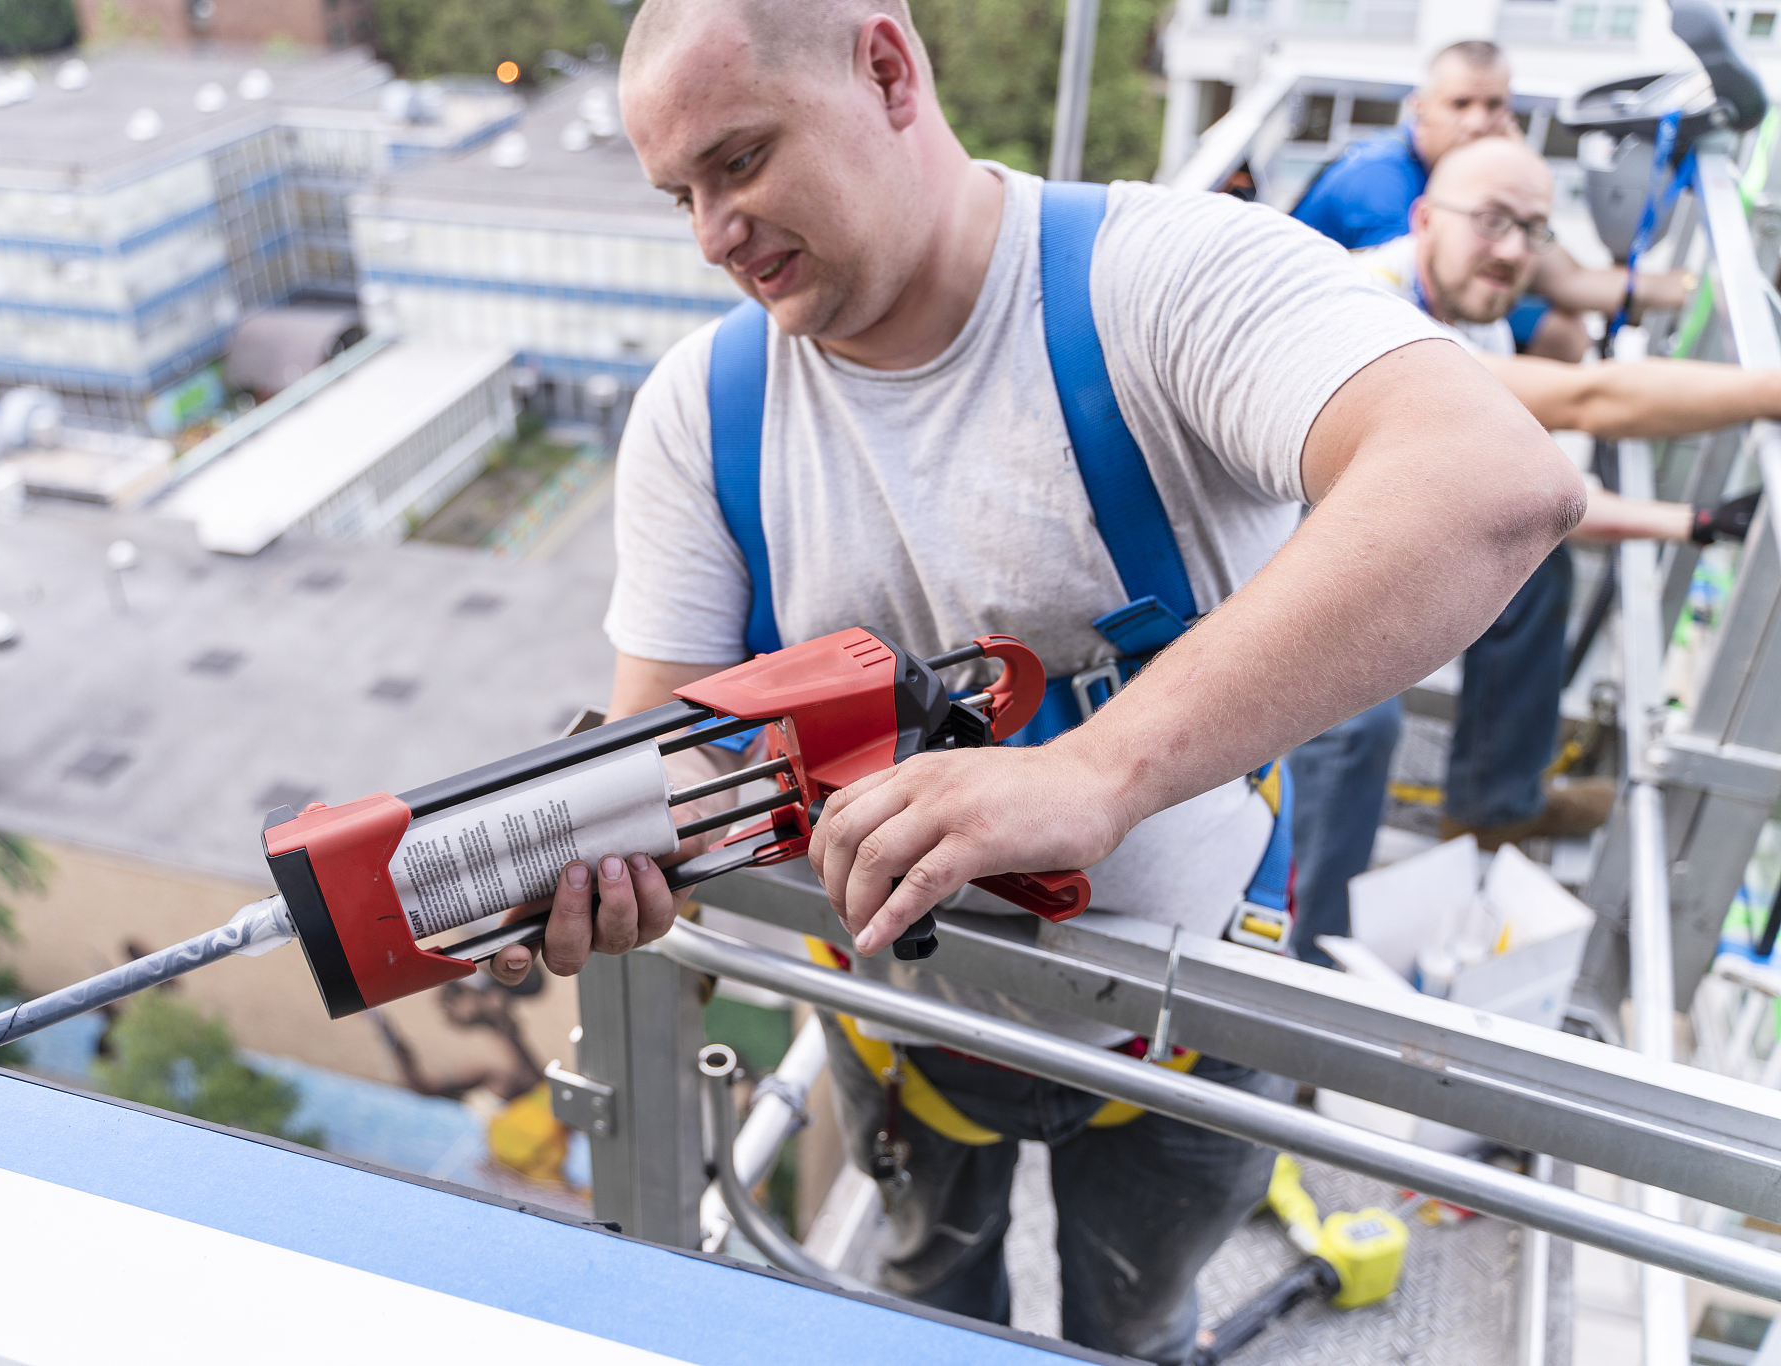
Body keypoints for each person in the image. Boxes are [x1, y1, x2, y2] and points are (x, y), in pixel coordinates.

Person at [490, 4, 1582, 1359]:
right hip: (901, 1033)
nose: (714, 229)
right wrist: (604, 845)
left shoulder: (1162, 285)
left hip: (1190, 1033)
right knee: (929, 1301)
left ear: (887, 69)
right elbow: (673, 740)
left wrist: (1094, 770)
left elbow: (1492, 481)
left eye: (743, 160)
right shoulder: (701, 416)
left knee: (1134, 1318)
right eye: (682, 194)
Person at [1291, 136, 1765, 961]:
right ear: (1424, 217)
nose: (1512, 251)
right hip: (1241, 571)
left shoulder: (1457, 305)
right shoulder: (1381, 314)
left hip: (1335, 538)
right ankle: (1291, 984)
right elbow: (1591, 397)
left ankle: (1493, 805)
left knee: (1531, 569)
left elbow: (1517, 490)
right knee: (1354, 727)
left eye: (1534, 231)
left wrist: (1688, 523)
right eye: (1492, 223)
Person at [1292, 40, 1694, 362]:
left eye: (1494, 105)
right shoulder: (1381, 182)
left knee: (1565, 319)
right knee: (1563, 334)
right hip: (1320, 334)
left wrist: (1513, 167)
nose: (1477, 123)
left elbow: (1565, 278)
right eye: (1460, 104)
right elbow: (1427, 309)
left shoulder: (1459, 168)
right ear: (1419, 106)